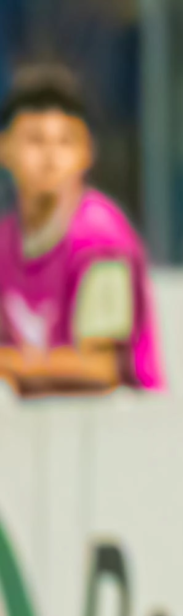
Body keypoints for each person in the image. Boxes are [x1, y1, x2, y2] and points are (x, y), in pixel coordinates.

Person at [0, 67, 160, 395]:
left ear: (87, 151)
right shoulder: (5, 245)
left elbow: (101, 369)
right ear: (5, 149)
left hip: (129, 433)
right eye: (34, 140)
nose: (50, 155)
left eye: (65, 141)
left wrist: (11, 365)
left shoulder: (101, 239)